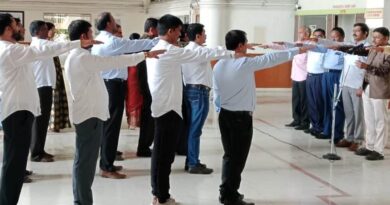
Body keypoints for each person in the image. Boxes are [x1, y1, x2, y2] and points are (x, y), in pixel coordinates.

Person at [0, 13, 99, 205]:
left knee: (14, 163)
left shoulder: (11, 49)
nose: (20, 29)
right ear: (7, 29)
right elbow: (45, 51)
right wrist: (78, 43)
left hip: (17, 111)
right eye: (16, 26)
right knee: (14, 165)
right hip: (17, 112)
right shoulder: (10, 51)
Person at [65, 19, 164, 205]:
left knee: (84, 162)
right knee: (85, 164)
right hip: (89, 116)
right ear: (83, 37)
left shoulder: (78, 55)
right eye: (90, 34)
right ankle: (82, 201)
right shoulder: (81, 57)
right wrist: (144, 55)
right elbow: (114, 60)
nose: (94, 38)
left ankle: (81, 200)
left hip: (89, 114)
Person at [147, 14, 236, 205]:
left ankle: (158, 194)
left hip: (164, 107)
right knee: (164, 157)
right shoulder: (168, 50)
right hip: (167, 109)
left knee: (161, 155)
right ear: (170, 31)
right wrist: (231, 52)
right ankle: (162, 197)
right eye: (179, 31)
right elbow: (199, 54)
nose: (181, 35)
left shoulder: (158, 48)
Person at [214, 29, 304, 205]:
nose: (248, 46)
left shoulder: (220, 63)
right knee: (238, 158)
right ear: (240, 45)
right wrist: (297, 51)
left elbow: (216, 91)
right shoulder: (244, 63)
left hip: (224, 114)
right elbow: (270, 59)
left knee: (230, 156)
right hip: (240, 118)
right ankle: (230, 196)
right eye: (246, 43)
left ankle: (227, 191)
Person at [91, 12, 158, 179]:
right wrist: (158, 41)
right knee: (111, 127)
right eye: (113, 20)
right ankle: (106, 167)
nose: (115, 23)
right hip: (113, 86)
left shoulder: (101, 39)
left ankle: (108, 162)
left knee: (109, 125)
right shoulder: (112, 41)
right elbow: (134, 45)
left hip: (107, 84)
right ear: (107, 24)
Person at [181, 23, 214, 174]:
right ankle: (193, 163)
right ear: (198, 36)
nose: (206, 36)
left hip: (189, 90)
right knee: (195, 129)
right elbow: (219, 52)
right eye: (204, 33)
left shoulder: (185, 50)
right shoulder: (200, 51)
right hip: (199, 93)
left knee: (190, 128)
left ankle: (191, 161)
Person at [355, 27, 390, 160]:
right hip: (367, 87)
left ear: (386, 38)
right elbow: (367, 72)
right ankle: (369, 145)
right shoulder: (372, 50)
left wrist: (366, 67)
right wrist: (361, 86)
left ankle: (379, 150)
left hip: (381, 89)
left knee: (380, 120)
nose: (374, 40)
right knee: (369, 119)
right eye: (373, 37)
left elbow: (383, 71)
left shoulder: (388, 52)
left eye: (377, 37)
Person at [336, 23, 370, 151]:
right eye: (353, 30)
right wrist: (341, 83)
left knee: (358, 114)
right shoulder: (350, 46)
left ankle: (359, 139)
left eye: (357, 31)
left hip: (357, 85)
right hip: (346, 83)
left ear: (365, 33)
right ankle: (349, 137)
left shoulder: (367, 48)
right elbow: (346, 66)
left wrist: (362, 86)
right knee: (349, 113)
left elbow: (366, 70)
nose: (354, 33)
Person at [28, 20, 57, 162]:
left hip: (44, 85)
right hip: (41, 86)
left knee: (42, 120)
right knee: (39, 120)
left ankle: (39, 150)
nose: (48, 32)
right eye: (46, 29)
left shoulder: (41, 44)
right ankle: (36, 153)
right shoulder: (41, 44)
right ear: (38, 32)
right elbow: (61, 46)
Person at [136, 18, 159, 157]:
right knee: (148, 118)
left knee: (148, 118)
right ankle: (144, 147)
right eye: (158, 30)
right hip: (147, 84)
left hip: (145, 84)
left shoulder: (143, 42)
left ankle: (144, 145)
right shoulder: (147, 43)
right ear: (151, 30)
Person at [46, 21, 72, 133]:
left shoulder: (51, 43)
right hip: (50, 74)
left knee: (58, 96)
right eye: (53, 29)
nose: (54, 31)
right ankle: (52, 124)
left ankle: (57, 123)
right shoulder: (45, 44)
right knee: (54, 97)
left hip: (56, 72)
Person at [285, 26, 311, 131]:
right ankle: (296, 119)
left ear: (307, 34)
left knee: (304, 101)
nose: (299, 34)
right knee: (295, 100)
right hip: (295, 75)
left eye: (301, 32)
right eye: (299, 32)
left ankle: (305, 122)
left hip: (304, 76)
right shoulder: (296, 44)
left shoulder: (310, 45)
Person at [305, 28, 326, 137]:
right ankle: (314, 125)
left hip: (319, 76)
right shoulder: (310, 47)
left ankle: (320, 126)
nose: (317, 37)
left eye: (320, 35)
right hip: (309, 76)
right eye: (315, 35)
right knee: (311, 103)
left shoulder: (324, 48)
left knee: (318, 103)